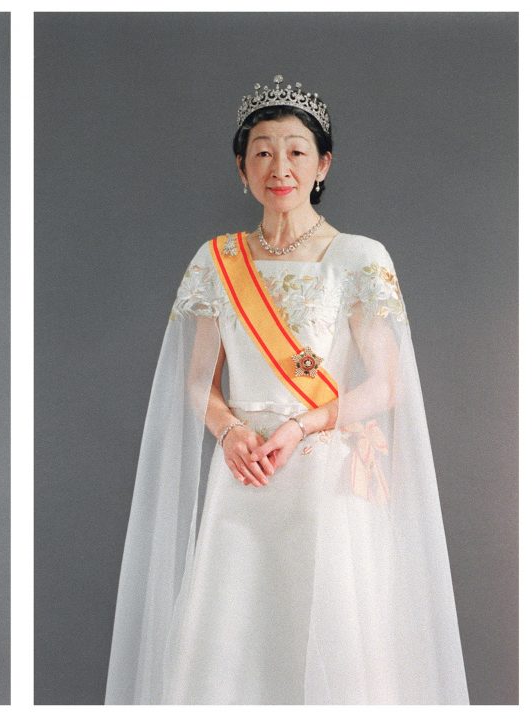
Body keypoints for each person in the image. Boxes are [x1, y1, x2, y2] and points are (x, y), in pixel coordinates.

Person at [105, 75, 468, 704]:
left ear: (323, 164)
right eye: (263, 151)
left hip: (320, 474)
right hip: (244, 473)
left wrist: (301, 426)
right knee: (229, 647)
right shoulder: (217, 258)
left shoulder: (359, 257)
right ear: (241, 166)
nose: (280, 167)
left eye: (297, 151)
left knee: (330, 647)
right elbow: (198, 382)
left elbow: (385, 384)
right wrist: (231, 430)